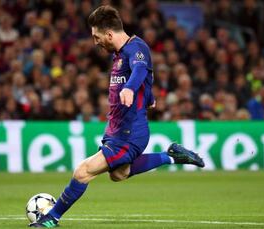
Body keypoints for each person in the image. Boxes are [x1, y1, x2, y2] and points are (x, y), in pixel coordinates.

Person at [29, 5, 205, 228]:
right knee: (119, 174)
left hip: (130, 132)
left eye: (97, 36)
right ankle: (171, 156)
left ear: (109, 34)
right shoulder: (119, 54)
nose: (95, 41)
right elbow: (146, 77)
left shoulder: (137, 48)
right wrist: (148, 95)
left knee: (82, 172)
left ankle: (51, 218)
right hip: (117, 129)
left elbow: (140, 70)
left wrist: (131, 89)